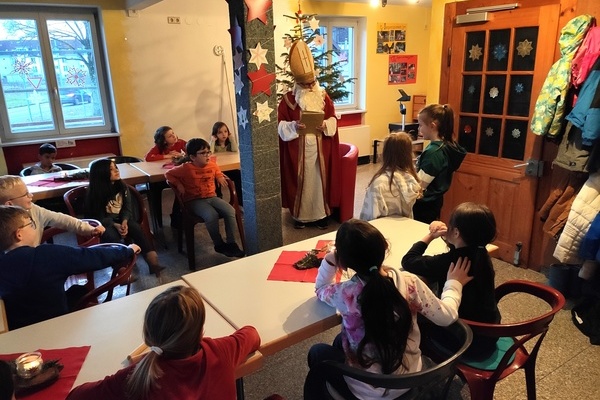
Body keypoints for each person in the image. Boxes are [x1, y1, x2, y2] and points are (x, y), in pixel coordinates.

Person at [304, 219, 472, 399]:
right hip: (410, 378)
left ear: (343, 263)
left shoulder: (346, 294)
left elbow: (321, 289)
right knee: (338, 342)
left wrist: (330, 260)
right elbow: (447, 317)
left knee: (318, 352)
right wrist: (453, 284)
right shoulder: (410, 283)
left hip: (367, 391)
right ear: (384, 247)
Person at [67, 285, 260, 400]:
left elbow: (77, 396)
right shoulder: (220, 351)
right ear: (200, 331)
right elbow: (252, 334)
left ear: (148, 336)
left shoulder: (135, 378)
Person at [0, 205, 140, 330]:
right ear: (19, 234)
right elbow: (92, 256)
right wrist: (127, 250)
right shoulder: (45, 255)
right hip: (57, 326)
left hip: (14, 330)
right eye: (30, 224)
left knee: (76, 291)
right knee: (79, 292)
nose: (34, 227)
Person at [401, 202, 501, 358]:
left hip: (464, 340)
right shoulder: (482, 254)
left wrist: (430, 236)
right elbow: (460, 246)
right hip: (488, 335)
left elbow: (408, 261)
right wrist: (448, 236)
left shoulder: (450, 262)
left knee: (414, 318)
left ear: (456, 232)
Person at [278, 40, 340, 230]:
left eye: (312, 83)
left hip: (321, 147)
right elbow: (280, 126)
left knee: (319, 182)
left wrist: (325, 125)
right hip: (299, 150)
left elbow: (333, 120)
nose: (310, 86)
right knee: (302, 182)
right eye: (306, 84)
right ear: (298, 83)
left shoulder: (323, 96)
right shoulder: (288, 100)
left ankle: (321, 215)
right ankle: (300, 217)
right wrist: (294, 126)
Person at [165, 138, 245, 258]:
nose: (207, 155)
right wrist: (179, 184)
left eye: (208, 152)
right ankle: (219, 244)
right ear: (192, 157)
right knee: (211, 215)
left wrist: (218, 176)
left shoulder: (212, 165)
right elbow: (168, 174)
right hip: (194, 200)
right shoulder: (186, 168)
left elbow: (216, 169)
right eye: (203, 153)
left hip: (211, 197)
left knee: (230, 211)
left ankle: (231, 243)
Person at [85, 159, 164, 277]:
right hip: (104, 223)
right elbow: (98, 217)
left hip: (121, 219)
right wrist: (115, 225)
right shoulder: (95, 193)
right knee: (111, 236)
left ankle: (153, 263)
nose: (116, 171)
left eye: (116, 167)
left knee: (136, 229)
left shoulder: (122, 186)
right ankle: (122, 272)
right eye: (111, 169)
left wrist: (125, 221)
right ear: (101, 173)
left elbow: (127, 208)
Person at [0, 175, 105, 246]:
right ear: (9, 204)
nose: (31, 195)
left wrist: (89, 229)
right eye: (25, 194)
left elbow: (61, 219)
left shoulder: (33, 209)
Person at [413, 104, 466, 224]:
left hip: (424, 205)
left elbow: (420, 186)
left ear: (432, 126)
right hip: (435, 201)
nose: (419, 129)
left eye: (421, 125)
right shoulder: (446, 145)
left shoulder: (434, 152)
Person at [360, 132, 421, 221]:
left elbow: (369, 216)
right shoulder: (411, 180)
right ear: (409, 155)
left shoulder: (379, 183)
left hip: (382, 231)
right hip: (404, 229)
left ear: (385, 153)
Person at [144, 126, 186, 227]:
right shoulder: (159, 147)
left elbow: (191, 151)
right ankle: (159, 223)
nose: (174, 136)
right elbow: (148, 158)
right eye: (170, 136)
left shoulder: (181, 143)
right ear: (164, 141)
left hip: (176, 174)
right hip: (161, 176)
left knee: (183, 187)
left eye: (173, 133)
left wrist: (182, 156)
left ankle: (177, 216)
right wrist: (168, 156)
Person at [209, 121, 243, 206]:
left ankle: (240, 201)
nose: (223, 134)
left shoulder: (229, 143)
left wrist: (231, 138)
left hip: (228, 169)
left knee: (239, 175)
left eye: (225, 131)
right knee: (214, 179)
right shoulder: (215, 144)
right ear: (215, 134)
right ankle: (219, 200)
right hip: (218, 170)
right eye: (220, 132)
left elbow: (235, 150)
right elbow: (210, 152)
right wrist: (212, 141)